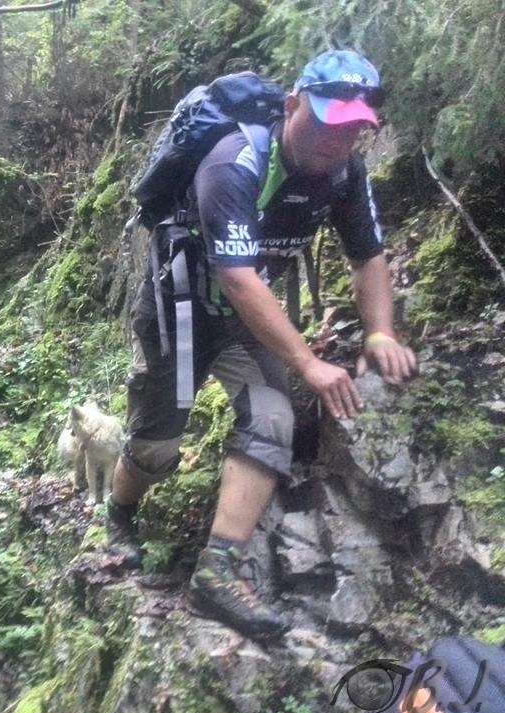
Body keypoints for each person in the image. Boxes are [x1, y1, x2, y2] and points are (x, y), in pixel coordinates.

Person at [106, 50, 418, 640]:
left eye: (353, 129)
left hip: (247, 320)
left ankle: (216, 575)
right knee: (156, 443)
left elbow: (367, 255)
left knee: (273, 418)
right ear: (293, 105)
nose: (337, 140)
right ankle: (119, 514)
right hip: (179, 311)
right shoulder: (235, 161)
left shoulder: (345, 174)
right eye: (326, 123)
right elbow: (238, 278)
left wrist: (380, 331)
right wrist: (306, 362)